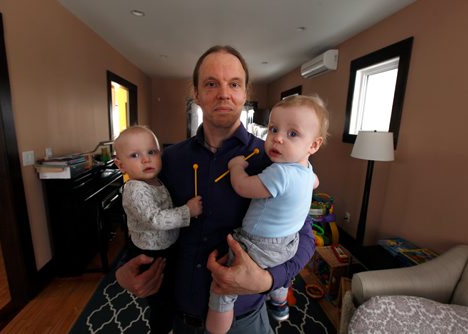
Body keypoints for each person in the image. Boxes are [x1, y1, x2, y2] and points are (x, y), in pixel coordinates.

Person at [115, 45, 316, 334]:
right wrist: (124, 271)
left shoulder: (274, 162)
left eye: (234, 84)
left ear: (245, 93)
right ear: (196, 94)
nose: (224, 93)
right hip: (176, 316)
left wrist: (269, 280)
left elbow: (305, 235)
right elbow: (141, 216)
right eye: (211, 84)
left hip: (244, 318)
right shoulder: (167, 160)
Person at [205, 95, 329, 334]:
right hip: (288, 243)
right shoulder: (307, 171)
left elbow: (242, 187)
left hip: (258, 244)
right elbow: (315, 182)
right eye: (273, 129)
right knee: (278, 267)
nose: (278, 138)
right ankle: (280, 301)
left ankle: (216, 328)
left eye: (292, 134)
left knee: (224, 286)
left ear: (313, 145)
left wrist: (237, 167)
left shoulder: (280, 173)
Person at [113, 125, 203, 333]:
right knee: (161, 303)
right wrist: (187, 211)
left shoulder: (155, 181)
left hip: (166, 247)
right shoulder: (134, 189)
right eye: (135, 155)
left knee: (171, 294)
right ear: (121, 165)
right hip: (150, 253)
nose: (146, 159)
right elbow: (155, 219)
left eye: (151, 152)